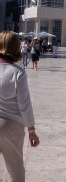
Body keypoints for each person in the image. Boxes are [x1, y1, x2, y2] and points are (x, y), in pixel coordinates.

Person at [0, 31, 40, 181]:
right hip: (11, 125)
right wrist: (31, 129)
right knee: (14, 167)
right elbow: (24, 104)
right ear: (15, 47)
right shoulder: (17, 72)